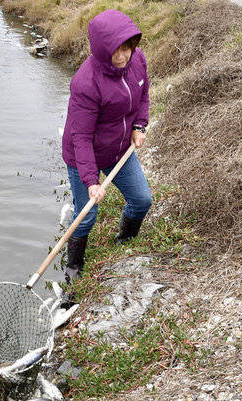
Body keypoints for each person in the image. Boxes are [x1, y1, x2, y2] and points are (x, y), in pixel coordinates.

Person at [61, 9, 152, 282]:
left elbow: (143, 93)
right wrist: (91, 180)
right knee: (86, 215)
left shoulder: (137, 62)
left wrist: (139, 126)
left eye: (127, 48)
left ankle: (124, 242)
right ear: (102, 49)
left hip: (119, 150)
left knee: (141, 200)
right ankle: (74, 271)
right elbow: (81, 138)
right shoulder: (85, 83)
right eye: (116, 50)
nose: (123, 56)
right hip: (83, 155)